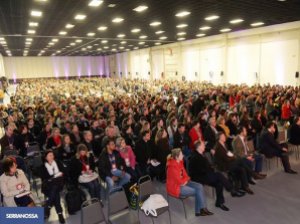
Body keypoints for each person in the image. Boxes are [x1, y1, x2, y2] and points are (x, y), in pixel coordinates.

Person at [189, 141, 244, 211]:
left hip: (205, 174)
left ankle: (219, 203)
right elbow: (197, 171)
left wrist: (211, 169)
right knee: (218, 175)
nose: (204, 146)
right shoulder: (195, 157)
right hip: (199, 177)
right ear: (199, 147)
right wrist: (210, 171)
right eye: (203, 145)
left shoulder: (201, 154)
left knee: (219, 183)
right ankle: (231, 189)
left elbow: (207, 166)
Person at [166, 148, 213, 216]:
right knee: (197, 191)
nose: (183, 155)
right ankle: (201, 210)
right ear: (177, 157)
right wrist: (184, 181)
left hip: (184, 183)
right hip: (176, 187)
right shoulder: (172, 167)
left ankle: (200, 210)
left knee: (200, 186)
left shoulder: (180, 162)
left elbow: (186, 175)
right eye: (181, 154)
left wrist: (185, 181)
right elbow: (179, 181)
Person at [39, 150, 65, 223]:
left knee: (55, 188)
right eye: (50, 155)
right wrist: (53, 177)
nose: (52, 157)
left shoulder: (58, 162)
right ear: (46, 157)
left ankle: (48, 206)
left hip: (59, 183)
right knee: (56, 194)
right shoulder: (43, 166)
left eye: (52, 155)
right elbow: (44, 178)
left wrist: (60, 174)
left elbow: (63, 171)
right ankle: (60, 214)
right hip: (48, 186)